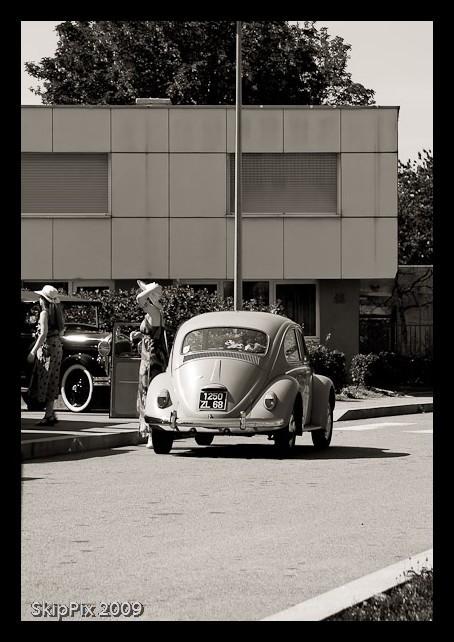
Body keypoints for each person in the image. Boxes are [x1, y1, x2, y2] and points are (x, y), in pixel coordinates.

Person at [27, 285, 65, 426]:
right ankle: (50, 414)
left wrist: (32, 351)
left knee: (43, 379)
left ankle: (49, 414)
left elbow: (43, 334)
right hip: (57, 346)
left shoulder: (44, 313)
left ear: (43, 299)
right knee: (52, 380)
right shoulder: (57, 313)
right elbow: (61, 332)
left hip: (48, 347)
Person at [135, 280, 166, 448]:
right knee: (146, 392)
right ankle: (150, 432)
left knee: (149, 393)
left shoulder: (154, 311)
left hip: (152, 359)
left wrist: (148, 290)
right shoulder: (154, 312)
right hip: (148, 356)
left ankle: (151, 434)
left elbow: (139, 299)